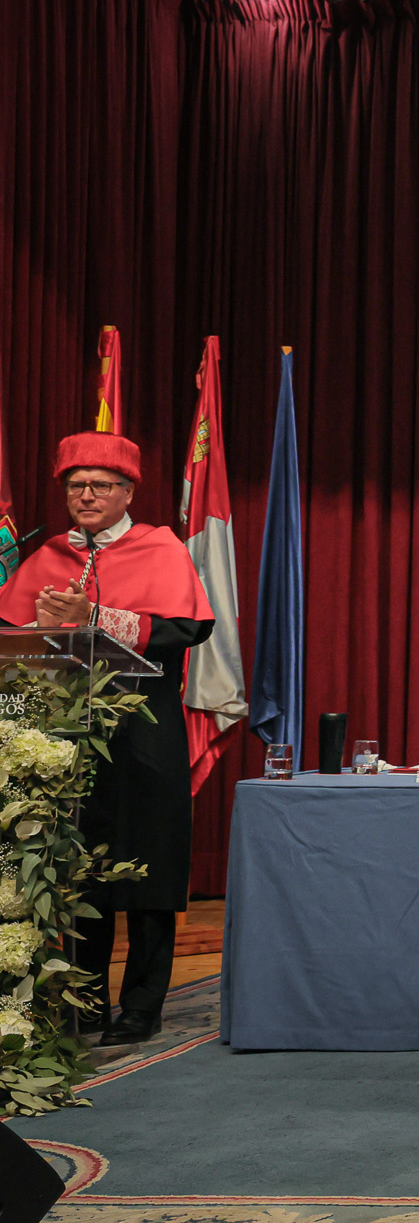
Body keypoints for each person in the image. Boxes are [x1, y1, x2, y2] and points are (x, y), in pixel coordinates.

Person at [0, 432, 214, 1047]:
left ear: (127, 493)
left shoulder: (161, 547)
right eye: (76, 486)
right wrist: (44, 624)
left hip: (144, 732)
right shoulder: (48, 555)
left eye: (101, 485)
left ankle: (142, 1005)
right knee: (79, 868)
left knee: (149, 869)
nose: (87, 496)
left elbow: (186, 630)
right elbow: (13, 636)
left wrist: (92, 617)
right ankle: (86, 1001)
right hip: (65, 735)